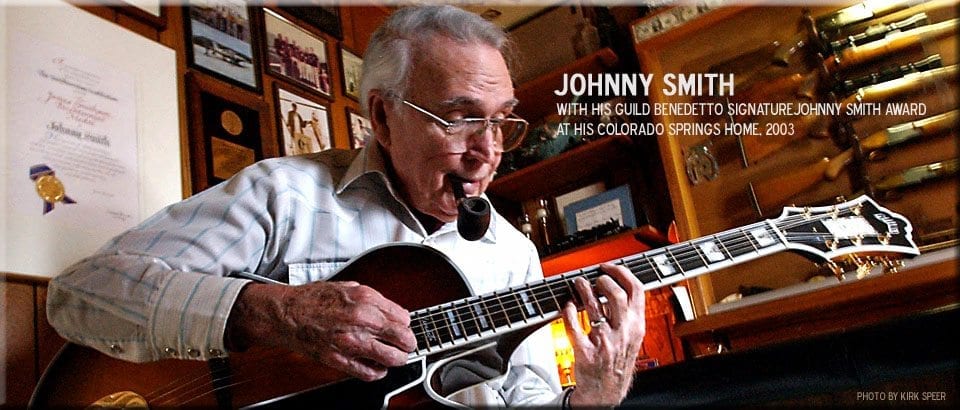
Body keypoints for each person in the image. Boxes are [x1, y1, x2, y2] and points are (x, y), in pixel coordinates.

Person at [46, 5, 646, 408]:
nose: (487, 154)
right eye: (461, 120)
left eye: (502, 122)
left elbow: (527, 400)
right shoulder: (285, 195)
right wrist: (271, 312)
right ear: (383, 116)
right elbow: (80, 294)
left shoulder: (514, 255)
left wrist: (590, 399)